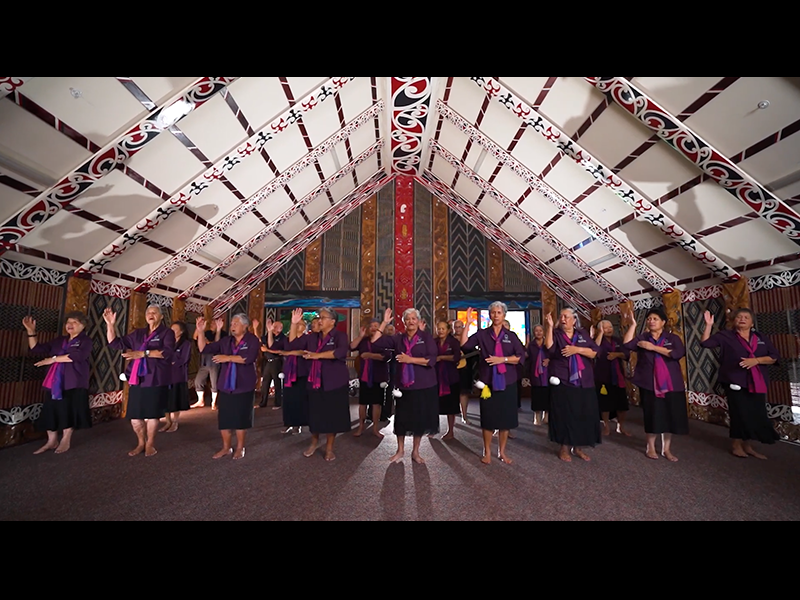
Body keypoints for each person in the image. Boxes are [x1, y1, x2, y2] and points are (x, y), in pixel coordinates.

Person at [702, 309, 780, 459]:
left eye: (746, 317)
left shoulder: (760, 337)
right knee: (739, 413)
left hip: (757, 381)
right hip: (734, 381)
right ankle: (736, 444)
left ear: (752, 322)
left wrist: (756, 360)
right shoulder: (726, 336)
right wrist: (708, 325)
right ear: (734, 320)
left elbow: (774, 357)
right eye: (739, 317)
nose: (742, 319)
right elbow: (705, 343)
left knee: (754, 413)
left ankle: (748, 445)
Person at [105, 305, 175, 458]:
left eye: (154, 313)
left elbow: (167, 353)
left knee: (152, 415)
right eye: (148, 312)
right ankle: (140, 442)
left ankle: (150, 443)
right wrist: (110, 325)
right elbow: (115, 343)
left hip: (156, 379)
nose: (151, 315)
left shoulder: (166, 332)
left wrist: (144, 353)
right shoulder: (138, 333)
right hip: (137, 379)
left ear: (161, 316)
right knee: (135, 417)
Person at [461, 304, 525, 465]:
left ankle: (502, 452)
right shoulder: (482, 334)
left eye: (499, 312)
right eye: (493, 313)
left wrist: (502, 359)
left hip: (507, 381)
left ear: (504, 315)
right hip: (488, 383)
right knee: (488, 419)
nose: (496, 315)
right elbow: (465, 345)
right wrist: (468, 323)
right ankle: (487, 451)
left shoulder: (511, 336)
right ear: (489, 315)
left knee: (506, 420)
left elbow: (520, 356)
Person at [373, 308, 440, 464]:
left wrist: (410, 360)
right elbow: (376, 341)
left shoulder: (426, 337)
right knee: (401, 418)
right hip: (404, 385)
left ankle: (416, 452)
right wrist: (384, 323)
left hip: (424, 384)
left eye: (413, 318)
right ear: (403, 322)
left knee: (419, 420)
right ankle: (400, 450)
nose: (410, 321)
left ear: (418, 320)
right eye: (407, 319)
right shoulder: (398, 338)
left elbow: (432, 360)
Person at [623, 308, 690, 462]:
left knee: (669, 415)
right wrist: (633, 325)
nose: (651, 321)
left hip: (671, 383)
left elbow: (677, 353)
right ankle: (651, 446)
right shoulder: (643, 337)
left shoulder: (672, 338)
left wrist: (653, 348)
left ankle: (666, 449)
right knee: (653, 414)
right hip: (649, 383)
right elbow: (626, 345)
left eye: (655, 319)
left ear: (663, 322)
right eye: (649, 319)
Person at [24, 312, 93, 455]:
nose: (70, 324)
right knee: (51, 410)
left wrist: (53, 359)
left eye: (74, 322)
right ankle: (51, 441)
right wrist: (31, 331)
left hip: (73, 382)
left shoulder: (85, 341)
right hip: (54, 381)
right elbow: (36, 348)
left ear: (83, 325)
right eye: (68, 322)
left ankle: (65, 440)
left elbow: (78, 356)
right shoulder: (60, 340)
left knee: (67, 410)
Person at [290, 308, 352, 462]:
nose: (319, 320)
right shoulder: (312, 337)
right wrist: (293, 324)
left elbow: (340, 352)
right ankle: (313, 443)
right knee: (314, 413)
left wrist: (317, 356)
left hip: (334, 381)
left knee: (332, 416)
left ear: (332, 321)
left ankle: (329, 447)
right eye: (319, 317)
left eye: (323, 317)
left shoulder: (340, 336)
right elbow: (293, 344)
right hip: (315, 381)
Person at [197, 314, 260, 461]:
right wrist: (200, 331)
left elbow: (248, 358)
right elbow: (203, 348)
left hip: (243, 385)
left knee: (240, 418)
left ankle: (240, 447)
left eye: (236, 323)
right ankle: (226, 447)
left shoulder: (252, 340)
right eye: (231, 323)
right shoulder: (226, 341)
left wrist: (227, 358)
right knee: (224, 418)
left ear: (245, 326)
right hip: (225, 385)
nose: (232, 326)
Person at [545, 309, 602, 463]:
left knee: (583, 414)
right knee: (565, 414)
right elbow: (549, 349)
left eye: (566, 317)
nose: (563, 319)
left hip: (584, 381)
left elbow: (594, 352)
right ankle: (564, 448)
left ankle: (578, 448)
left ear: (574, 320)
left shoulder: (582, 334)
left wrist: (577, 350)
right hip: (564, 380)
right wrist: (549, 327)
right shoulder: (556, 334)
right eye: (561, 316)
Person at [351, 310, 393, 439]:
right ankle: (361, 427)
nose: (374, 328)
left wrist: (370, 355)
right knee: (362, 403)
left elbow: (386, 357)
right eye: (372, 326)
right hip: (364, 375)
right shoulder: (364, 341)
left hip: (378, 376)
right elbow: (352, 347)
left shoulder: (385, 340)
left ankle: (375, 428)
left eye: (377, 326)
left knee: (376, 403)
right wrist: (360, 335)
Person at [273, 320, 312, 436]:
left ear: (304, 327)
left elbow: (304, 352)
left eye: (300, 324)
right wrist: (270, 331)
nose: (297, 326)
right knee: (288, 399)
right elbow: (276, 348)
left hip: (301, 372)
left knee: (299, 399)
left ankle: (297, 424)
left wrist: (289, 353)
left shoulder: (307, 338)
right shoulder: (287, 338)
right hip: (289, 372)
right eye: (295, 324)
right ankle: (288, 423)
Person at [594, 320, 632, 437]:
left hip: (618, 376)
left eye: (610, 327)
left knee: (622, 405)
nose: (609, 329)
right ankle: (606, 426)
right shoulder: (597, 340)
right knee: (605, 404)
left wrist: (616, 355)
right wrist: (599, 333)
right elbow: (595, 349)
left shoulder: (617, 340)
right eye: (605, 328)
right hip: (603, 376)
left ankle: (620, 426)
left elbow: (626, 354)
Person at [161, 321, 192, 433]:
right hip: (165, 375)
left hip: (178, 376)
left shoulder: (186, 344)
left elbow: (183, 359)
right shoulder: (167, 342)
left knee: (175, 399)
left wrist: (171, 360)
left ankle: (175, 422)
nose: (171, 332)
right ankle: (167, 421)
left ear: (181, 331)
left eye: (174, 330)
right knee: (165, 400)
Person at [435, 320, 462, 441]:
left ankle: (450, 431)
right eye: (438, 328)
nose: (440, 331)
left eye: (443, 329)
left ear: (448, 330)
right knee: (434, 405)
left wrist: (441, 357)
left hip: (451, 377)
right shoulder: (434, 342)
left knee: (451, 406)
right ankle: (433, 428)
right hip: (435, 376)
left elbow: (456, 357)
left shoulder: (453, 342)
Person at [191, 317, 226, 410]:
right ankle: (200, 400)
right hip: (204, 361)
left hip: (215, 362)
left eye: (214, 323)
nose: (212, 324)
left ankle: (213, 402)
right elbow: (195, 337)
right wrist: (198, 328)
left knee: (214, 383)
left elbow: (217, 345)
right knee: (198, 381)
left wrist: (217, 331)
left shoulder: (224, 335)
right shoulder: (207, 333)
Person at [257, 319, 286, 410]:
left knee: (277, 383)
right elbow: (260, 340)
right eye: (272, 326)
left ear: (280, 328)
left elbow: (274, 348)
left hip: (276, 361)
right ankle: (262, 402)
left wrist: (267, 350)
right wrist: (255, 328)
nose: (273, 328)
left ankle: (278, 403)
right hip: (267, 361)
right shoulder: (270, 335)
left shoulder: (283, 338)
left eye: (275, 326)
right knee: (265, 382)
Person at [453, 319, 476, 426]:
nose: (458, 329)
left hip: (465, 370)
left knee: (464, 392)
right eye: (456, 327)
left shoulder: (468, 340)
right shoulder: (449, 340)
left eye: (459, 327)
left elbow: (474, 354)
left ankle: (464, 415)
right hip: (451, 370)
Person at [527, 324, 550, 427]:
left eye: (541, 330)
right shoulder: (531, 345)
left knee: (547, 394)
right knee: (536, 395)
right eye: (536, 331)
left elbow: (555, 355)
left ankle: (546, 415)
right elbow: (526, 357)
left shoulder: (548, 343)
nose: (539, 332)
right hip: (535, 373)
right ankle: (537, 416)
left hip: (547, 373)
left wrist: (549, 360)